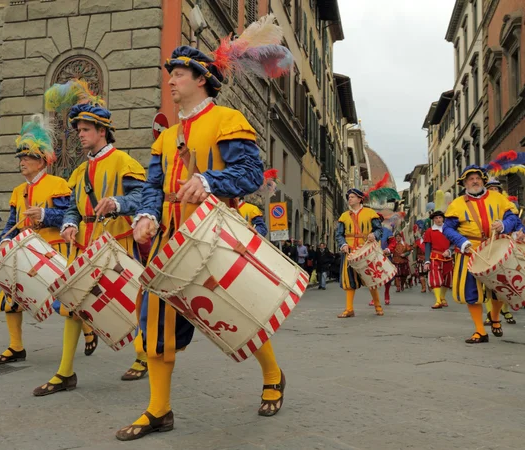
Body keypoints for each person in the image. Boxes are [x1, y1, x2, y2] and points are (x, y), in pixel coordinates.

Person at [117, 25, 293, 440]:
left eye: (177, 73)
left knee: (240, 315)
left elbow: (250, 173)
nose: (171, 80)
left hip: (215, 235)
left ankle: (272, 373)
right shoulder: (164, 138)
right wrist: (146, 217)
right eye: (170, 74)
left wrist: (210, 181)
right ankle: (158, 409)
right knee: (155, 326)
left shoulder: (228, 120)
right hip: (169, 242)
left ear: (200, 78)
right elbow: (151, 189)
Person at [32, 85, 149, 396]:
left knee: (128, 304)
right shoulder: (80, 169)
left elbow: (142, 197)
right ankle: (65, 372)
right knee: (72, 305)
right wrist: (70, 223)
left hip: (117, 244)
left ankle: (143, 355)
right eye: (78, 130)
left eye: (85, 129)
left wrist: (117, 203)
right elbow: (72, 205)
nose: (79, 135)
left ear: (102, 131)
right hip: (84, 245)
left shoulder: (124, 161)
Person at [0, 115, 86, 365]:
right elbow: (12, 221)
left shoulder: (58, 184)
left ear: (42, 160)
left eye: (27, 158)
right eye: (20, 158)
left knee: (66, 301)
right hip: (25, 252)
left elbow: (70, 215)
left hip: (53, 252)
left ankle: (88, 329)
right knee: (10, 298)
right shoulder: (17, 191)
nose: (22, 162)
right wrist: (5, 239)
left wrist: (44, 214)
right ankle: (16, 347)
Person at [443, 165, 522, 343]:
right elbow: (447, 228)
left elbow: (513, 218)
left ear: (483, 180)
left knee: (499, 289)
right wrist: (462, 242)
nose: (475, 181)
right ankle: (480, 331)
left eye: (477, 178)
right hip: (470, 251)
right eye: (470, 179)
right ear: (464, 183)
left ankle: (495, 318)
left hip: (496, 247)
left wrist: (503, 225)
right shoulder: (456, 204)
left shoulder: (498, 198)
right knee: (471, 292)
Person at [335, 188, 384, 318]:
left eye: (352, 197)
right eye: (348, 197)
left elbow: (379, 230)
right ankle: (349, 309)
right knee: (348, 280)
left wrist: (374, 235)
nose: (349, 199)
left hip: (366, 250)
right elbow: (339, 234)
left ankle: (378, 306)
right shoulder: (344, 216)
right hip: (350, 251)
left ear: (359, 198)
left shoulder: (370, 213)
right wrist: (343, 244)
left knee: (370, 279)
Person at [482, 178, 518, 326]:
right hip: (486, 247)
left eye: (495, 189)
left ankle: (504, 309)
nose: (493, 191)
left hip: (504, 246)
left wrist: (518, 232)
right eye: (490, 188)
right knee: (487, 284)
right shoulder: (481, 205)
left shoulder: (507, 206)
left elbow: (516, 224)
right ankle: (491, 313)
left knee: (505, 281)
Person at [423, 209, 452, 309]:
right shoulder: (429, 231)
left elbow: (454, 243)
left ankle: (443, 297)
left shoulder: (449, 230)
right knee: (435, 279)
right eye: (436, 218)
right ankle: (438, 300)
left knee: (447, 279)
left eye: (440, 217)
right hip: (435, 257)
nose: (438, 220)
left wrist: (449, 250)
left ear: (443, 219)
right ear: (433, 220)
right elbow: (427, 247)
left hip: (448, 257)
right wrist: (427, 261)